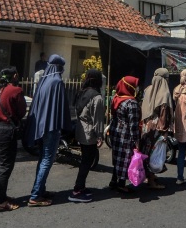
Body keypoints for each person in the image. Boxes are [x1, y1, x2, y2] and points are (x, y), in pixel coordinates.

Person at [24, 54, 71, 206]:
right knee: (47, 160)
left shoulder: (44, 81)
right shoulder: (57, 82)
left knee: (42, 158)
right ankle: (36, 195)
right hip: (52, 126)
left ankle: (40, 189)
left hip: (41, 126)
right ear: (58, 67)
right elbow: (61, 106)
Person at [0, 67, 26, 211]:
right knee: (6, 166)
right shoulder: (16, 90)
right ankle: (0, 201)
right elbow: (22, 110)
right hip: (8, 130)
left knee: (0, 164)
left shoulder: (0, 91)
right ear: (14, 76)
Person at [70, 69, 105, 202]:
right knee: (87, 162)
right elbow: (98, 119)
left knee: (85, 159)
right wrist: (100, 136)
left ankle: (81, 187)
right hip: (90, 132)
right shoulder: (96, 96)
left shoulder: (82, 92)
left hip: (80, 130)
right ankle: (77, 190)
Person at [140, 68, 173, 190]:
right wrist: (164, 133)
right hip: (157, 129)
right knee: (154, 155)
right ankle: (152, 182)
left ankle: (149, 177)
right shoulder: (164, 93)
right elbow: (164, 116)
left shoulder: (147, 89)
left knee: (147, 153)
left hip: (146, 127)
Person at [109, 76, 141, 193]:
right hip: (126, 134)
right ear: (129, 86)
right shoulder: (131, 103)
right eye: (136, 85)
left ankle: (113, 181)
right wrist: (136, 140)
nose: (137, 88)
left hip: (115, 131)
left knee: (117, 157)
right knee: (125, 158)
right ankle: (121, 184)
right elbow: (134, 124)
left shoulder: (117, 98)